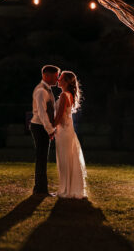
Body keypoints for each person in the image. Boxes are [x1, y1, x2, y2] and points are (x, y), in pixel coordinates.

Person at [53, 70, 87, 198]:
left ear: (66, 82)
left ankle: (66, 189)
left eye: (61, 78)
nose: (58, 80)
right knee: (67, 159)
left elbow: (59, 116)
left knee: (64, 160)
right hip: (67, 131)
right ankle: (66, 187)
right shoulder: (69, 95)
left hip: (63, 131)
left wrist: (50, 127)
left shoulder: (64, 95)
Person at [30, 64, 59, 195]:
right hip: (39, 126)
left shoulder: (46, 89)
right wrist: (50, 130)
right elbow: (42, 113)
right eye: (55, 76)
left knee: (42, 158)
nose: (57, 79)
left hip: (41, 126)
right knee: (41, 158)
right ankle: (40, 189)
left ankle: (40, 188)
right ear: (46, 76)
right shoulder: (41, 91)